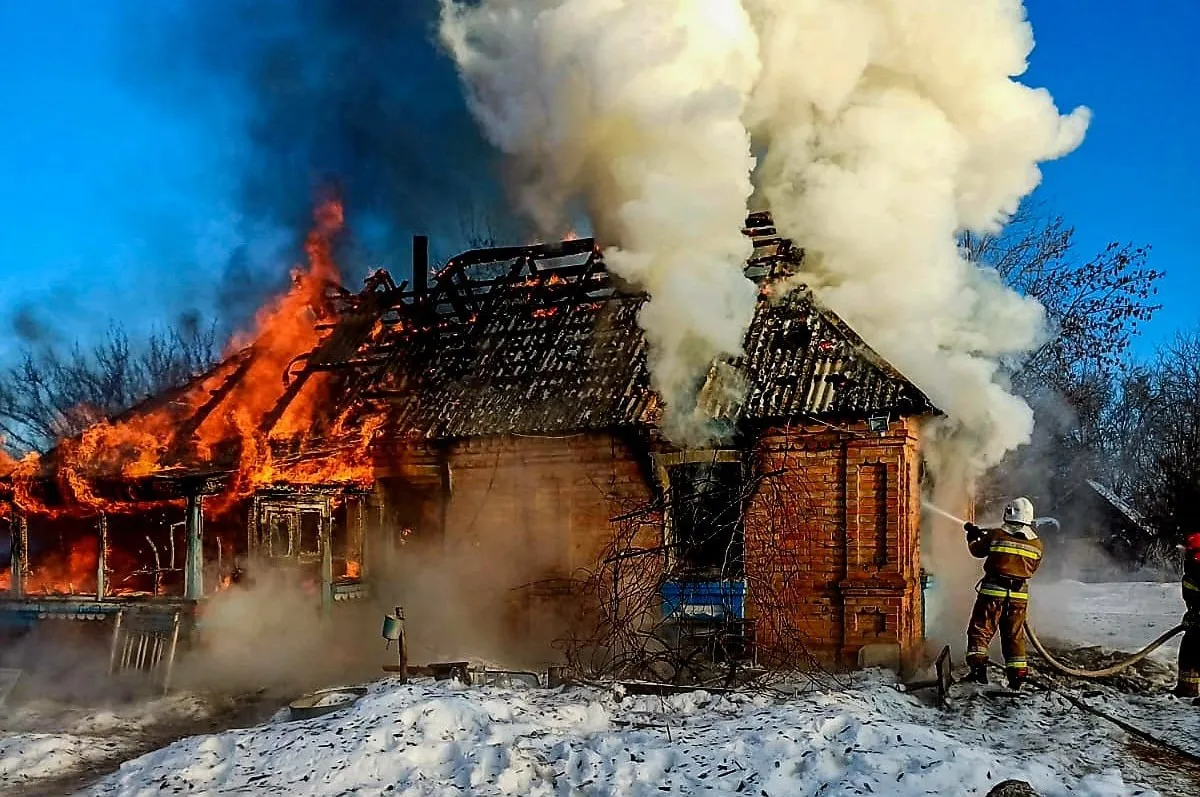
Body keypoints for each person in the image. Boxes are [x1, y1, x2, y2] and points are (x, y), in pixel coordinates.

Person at [963, 497, 1045, 689]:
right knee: (1014, 636)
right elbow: (1032, 569)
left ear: (1009, 513)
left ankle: (978, 671)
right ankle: (1016, 676)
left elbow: (977, 551)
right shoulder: (1037, 544)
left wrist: (972, 537)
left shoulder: (996, 535)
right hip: (1019, 596)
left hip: (993, 592)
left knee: (981, 629)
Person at [1174, 532, 1200, 699]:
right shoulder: (1193, 573)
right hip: (1197, 623)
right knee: (1189, 651)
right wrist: (1193, 614)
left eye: (1187, 552)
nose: (1184, 555)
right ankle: (1187, 690)